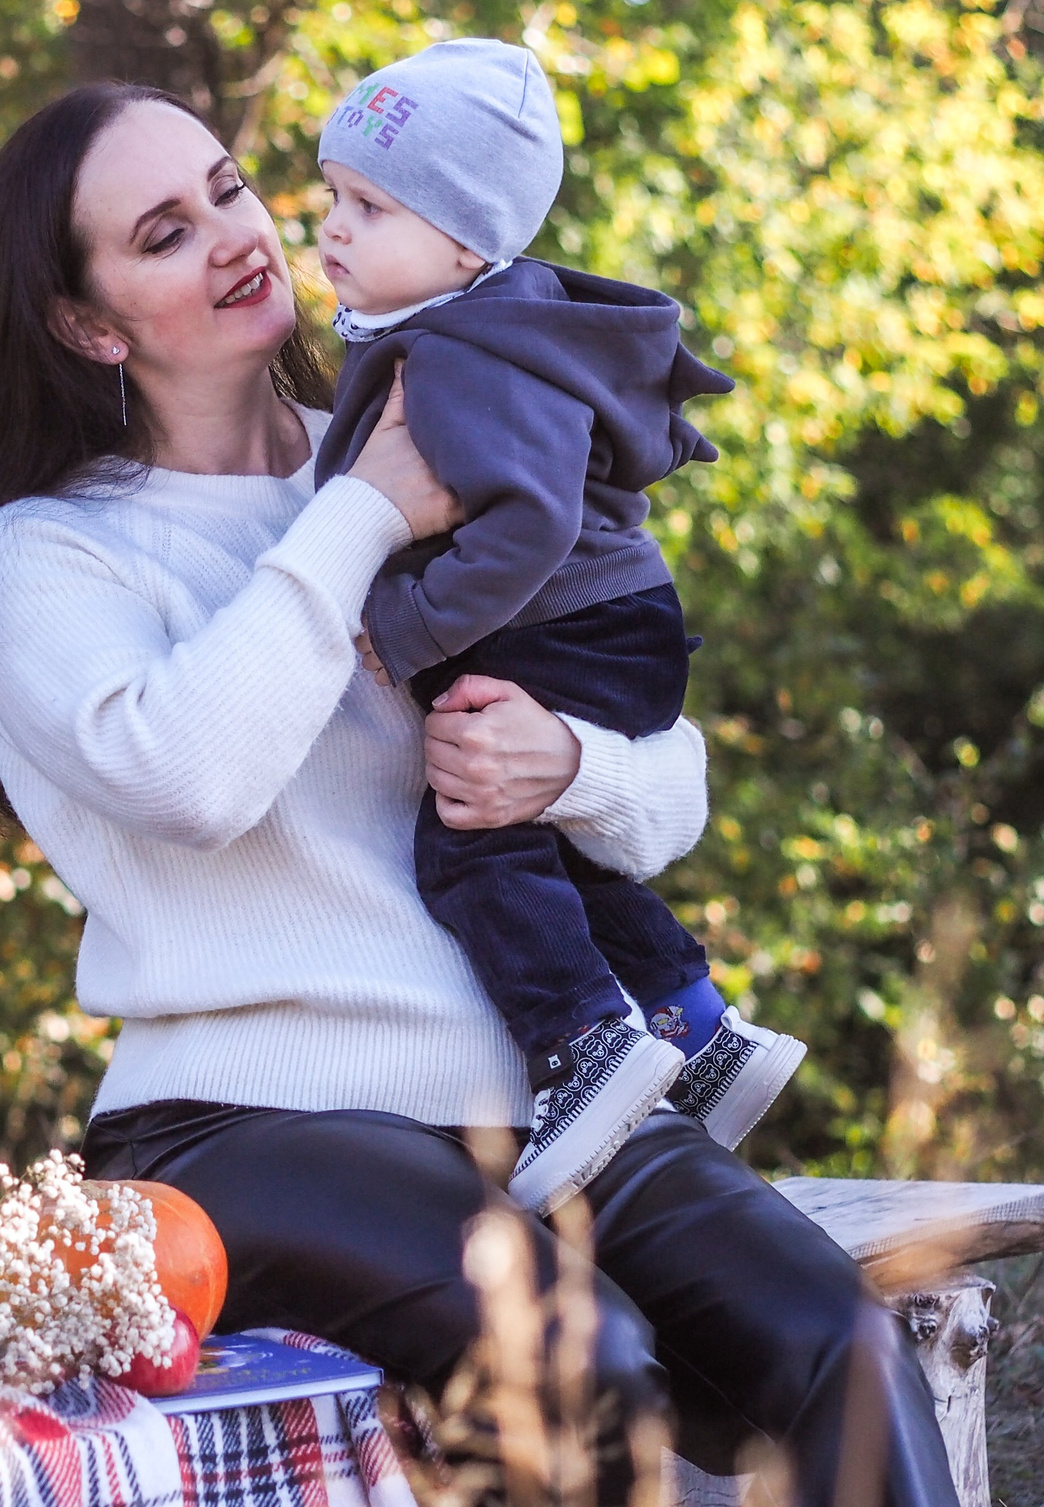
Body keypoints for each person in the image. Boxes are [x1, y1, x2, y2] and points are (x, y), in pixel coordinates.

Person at [0, 79, 1003, 1507]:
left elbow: (665, 756)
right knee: (584, 1359)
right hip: (244, 1120)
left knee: (837, 1341)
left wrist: (566, 767)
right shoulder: (53, 558)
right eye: (165, 232)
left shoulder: (436, 428)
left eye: (228, 188)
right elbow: (195, 774)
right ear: (85, 324)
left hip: (547, 1086)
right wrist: (363, 510)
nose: (236, 236)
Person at [312, 39, 805, 1211]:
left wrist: (413, 629)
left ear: (464, 243)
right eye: (329, 194)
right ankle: (700, 1033)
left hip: (576, 624)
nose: (331, 226)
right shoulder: (471, 326)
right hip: (606, 622)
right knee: (544, 848)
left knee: (468, 842)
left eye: (369, 205)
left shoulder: (456, 353)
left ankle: (584, 1045)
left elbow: (527, 526)